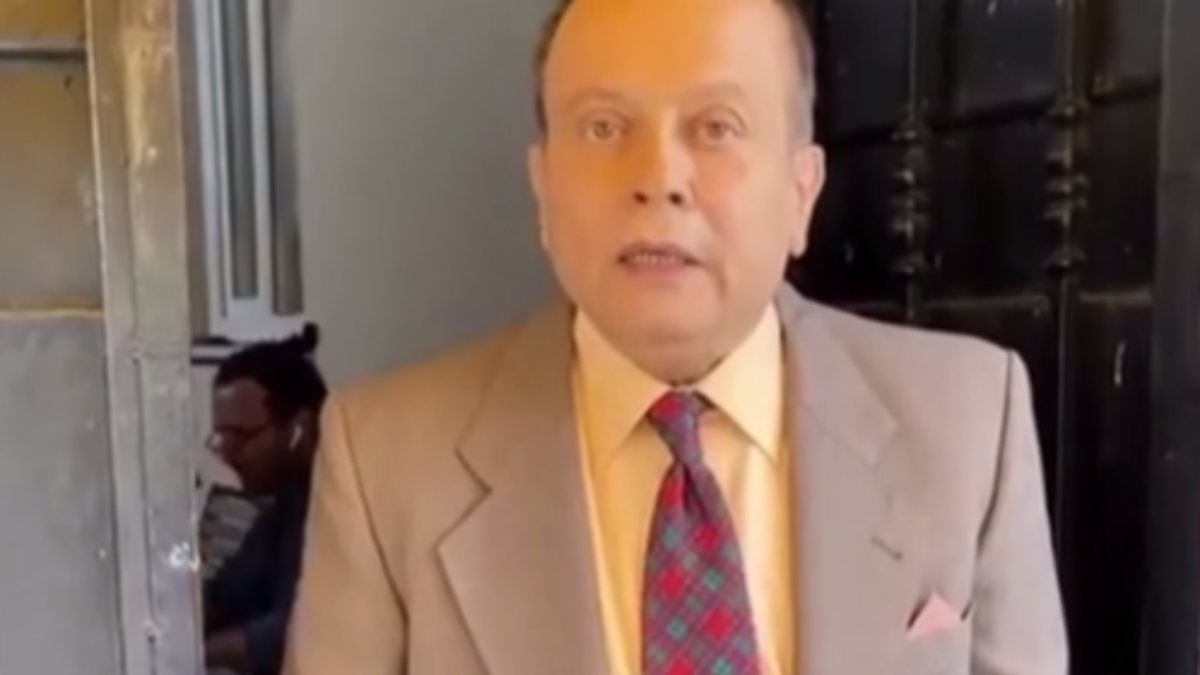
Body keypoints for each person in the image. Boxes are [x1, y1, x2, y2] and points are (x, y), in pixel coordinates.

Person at [284, 0, 1067, 673]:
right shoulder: (387, 461)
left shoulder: (967, 423)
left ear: (801, 192)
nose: (658, 176)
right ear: (543, 189)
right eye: (603, 126)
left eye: (717, 127)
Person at [204, 325, 327, 675]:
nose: (228, 455)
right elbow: (229, 592)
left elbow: (305, 629)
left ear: (299, 429)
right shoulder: (285, 507)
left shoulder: (343, 505)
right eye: (221, 439)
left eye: (240, 437)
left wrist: (205, 650)